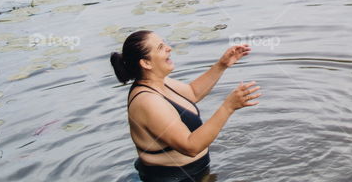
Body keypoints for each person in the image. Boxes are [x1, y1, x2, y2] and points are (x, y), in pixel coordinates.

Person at [110, 30, 260, 182]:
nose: (169, 48)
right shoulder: (148, 101)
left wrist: (222, 64)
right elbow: (190, 147)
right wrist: (228, 107)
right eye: (161, 47)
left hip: (196, 173)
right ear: (146, 63)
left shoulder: (160, 82)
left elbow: (193, 93)